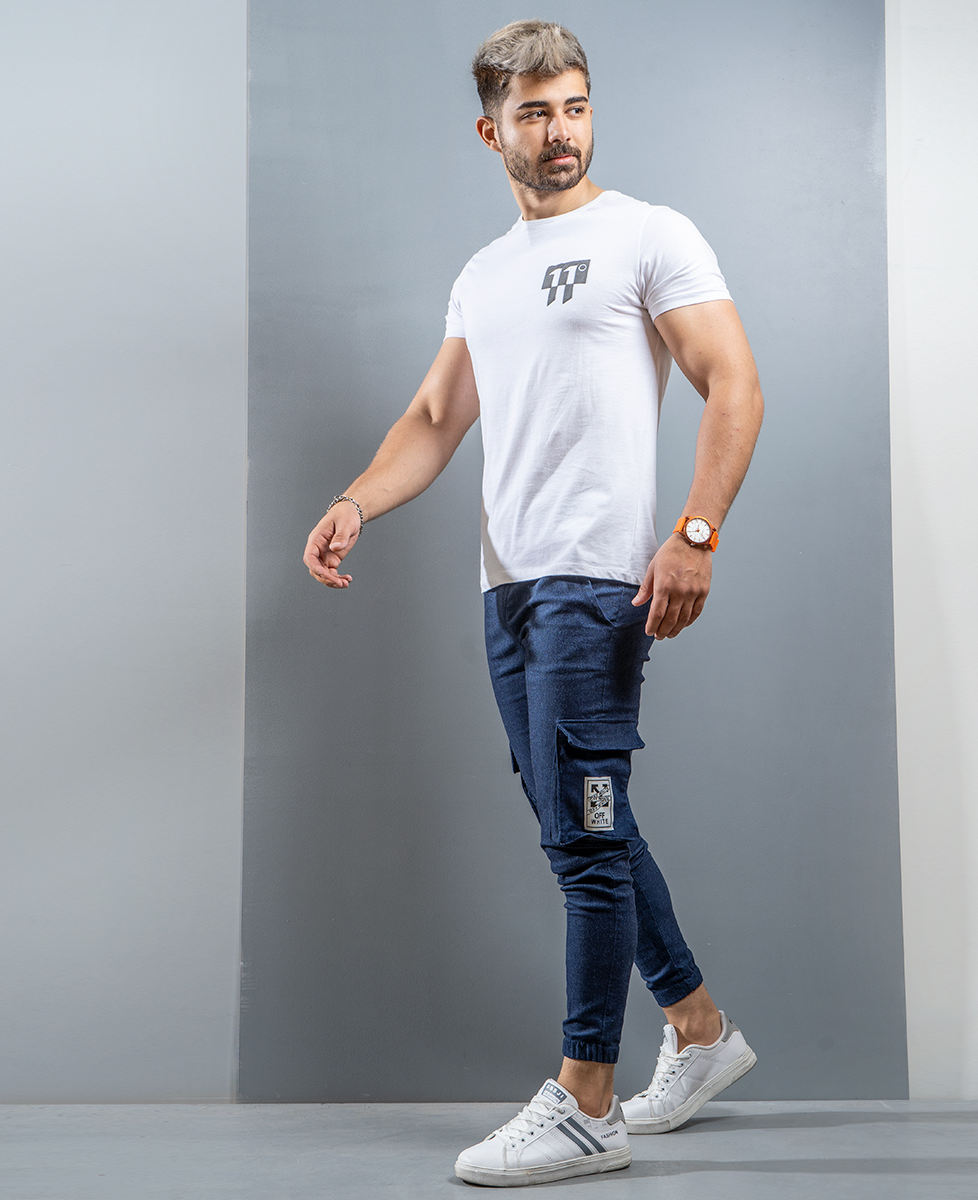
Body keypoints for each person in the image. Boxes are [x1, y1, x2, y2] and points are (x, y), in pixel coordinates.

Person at [303, 19, 764, 1188]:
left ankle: (586, 1102)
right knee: (581, 821)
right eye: (535, 114)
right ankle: (700, 1031)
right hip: (509, 586)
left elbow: (733, 380)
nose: (560, 133)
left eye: (575, 107)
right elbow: (434, 419)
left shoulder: (648, 235)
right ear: (490, 131)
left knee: (586, 837)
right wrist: (357, 499)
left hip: (596, 582)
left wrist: (695, 532)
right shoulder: (485, 273)